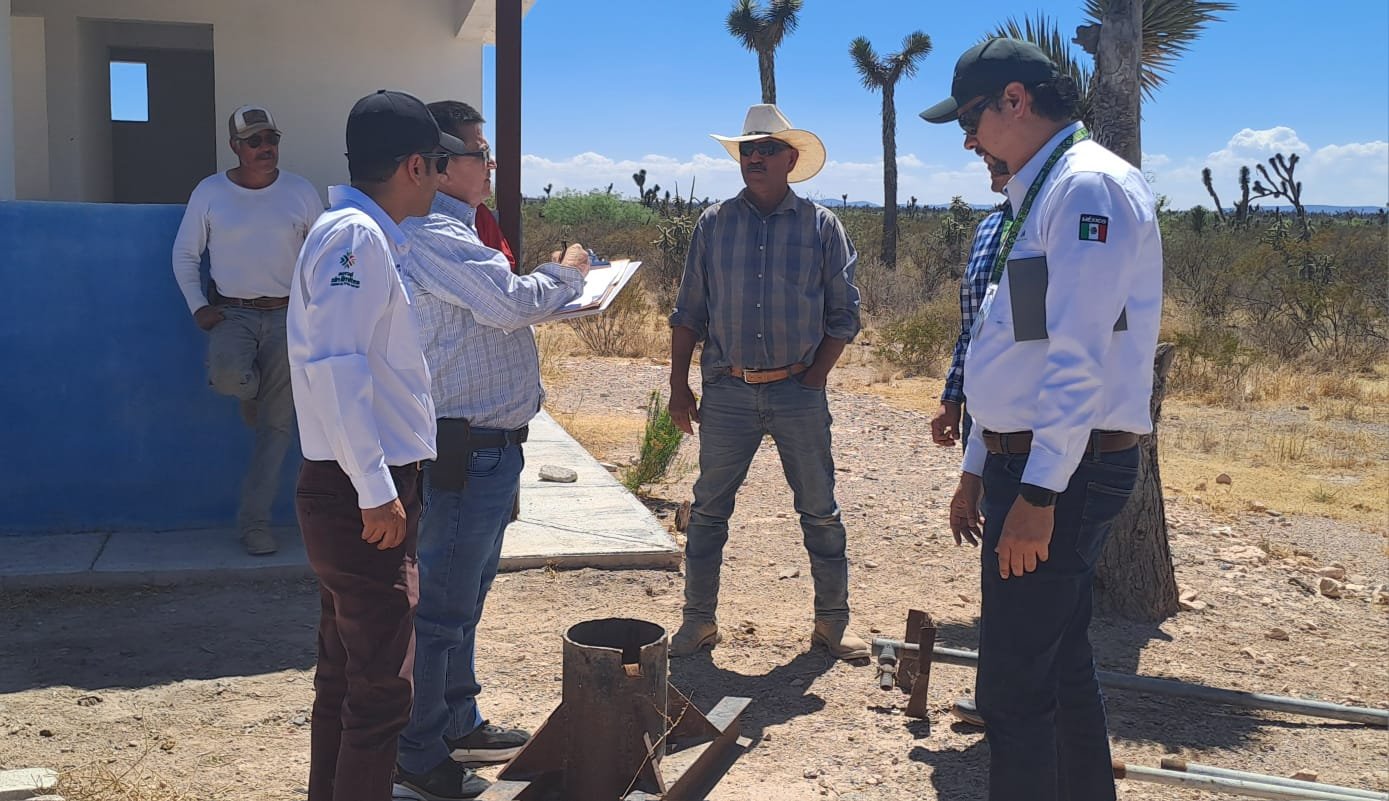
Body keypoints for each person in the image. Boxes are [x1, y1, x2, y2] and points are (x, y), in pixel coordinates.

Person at [921, 39, 1163, 801]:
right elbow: (1022, 340)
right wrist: (985, 461)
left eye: (970, 117)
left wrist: (1037, 494)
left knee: (1015, 687)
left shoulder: (1085, 189)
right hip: (1035, 460)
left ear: (1014, 100)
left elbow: (1078, 357)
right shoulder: (1046, 188)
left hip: (1062, 466)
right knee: (1056, 662)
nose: (966, 139)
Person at [392, 100, 591, 801]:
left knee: (463, 599)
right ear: (441, 165)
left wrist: (545, 292)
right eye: (480, 152)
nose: (491, 164)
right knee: (444, 606)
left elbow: (502, 305)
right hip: (466, 449)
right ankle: (418, 754)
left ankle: (457, 721)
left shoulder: (460, 233)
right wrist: (564, 272)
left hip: (489, 447)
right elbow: (509, 302)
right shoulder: (436, 235)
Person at [288, 89, 465, 801]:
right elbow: (337, 369)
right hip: (361, 496)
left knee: (346, 677)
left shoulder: (357, 234)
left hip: (360, 489)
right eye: (441, 166)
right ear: (415, 165)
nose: (445, 180)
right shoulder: (355, 239)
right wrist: (377, 487)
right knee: (383, 690)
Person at [667, 104, 870, 661]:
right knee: (708, 510)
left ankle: (832, 624)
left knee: (820, 510)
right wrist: (679, 387)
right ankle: (698, 622)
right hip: (728, 391)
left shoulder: (821, 226)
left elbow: (844, 314)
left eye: (765, 150)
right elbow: (689, 311)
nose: (753, 158)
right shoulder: (713, 224)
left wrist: (814, 381)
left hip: (797, 391)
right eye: (746, 151)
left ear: (791, 158)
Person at [171, 104, 323, 555]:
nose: (265, 148)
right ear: (235, 147)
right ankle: (251, 396)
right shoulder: (210, 192)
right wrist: (198, 305)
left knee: (277, 428)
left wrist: (317, 313)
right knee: (227, 378)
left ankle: (254, 524)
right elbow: (184, 254)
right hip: (231, 313)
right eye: (254, 141)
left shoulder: (299, 191)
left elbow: (319, 256)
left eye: (271, 139)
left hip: (287, 315)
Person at [929, 143, 1012, 453]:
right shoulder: (988, 228)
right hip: (981, 413)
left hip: (1040, 421)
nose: (987, 156)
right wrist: (951, 398)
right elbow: (973, 328)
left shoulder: (1059, 219)